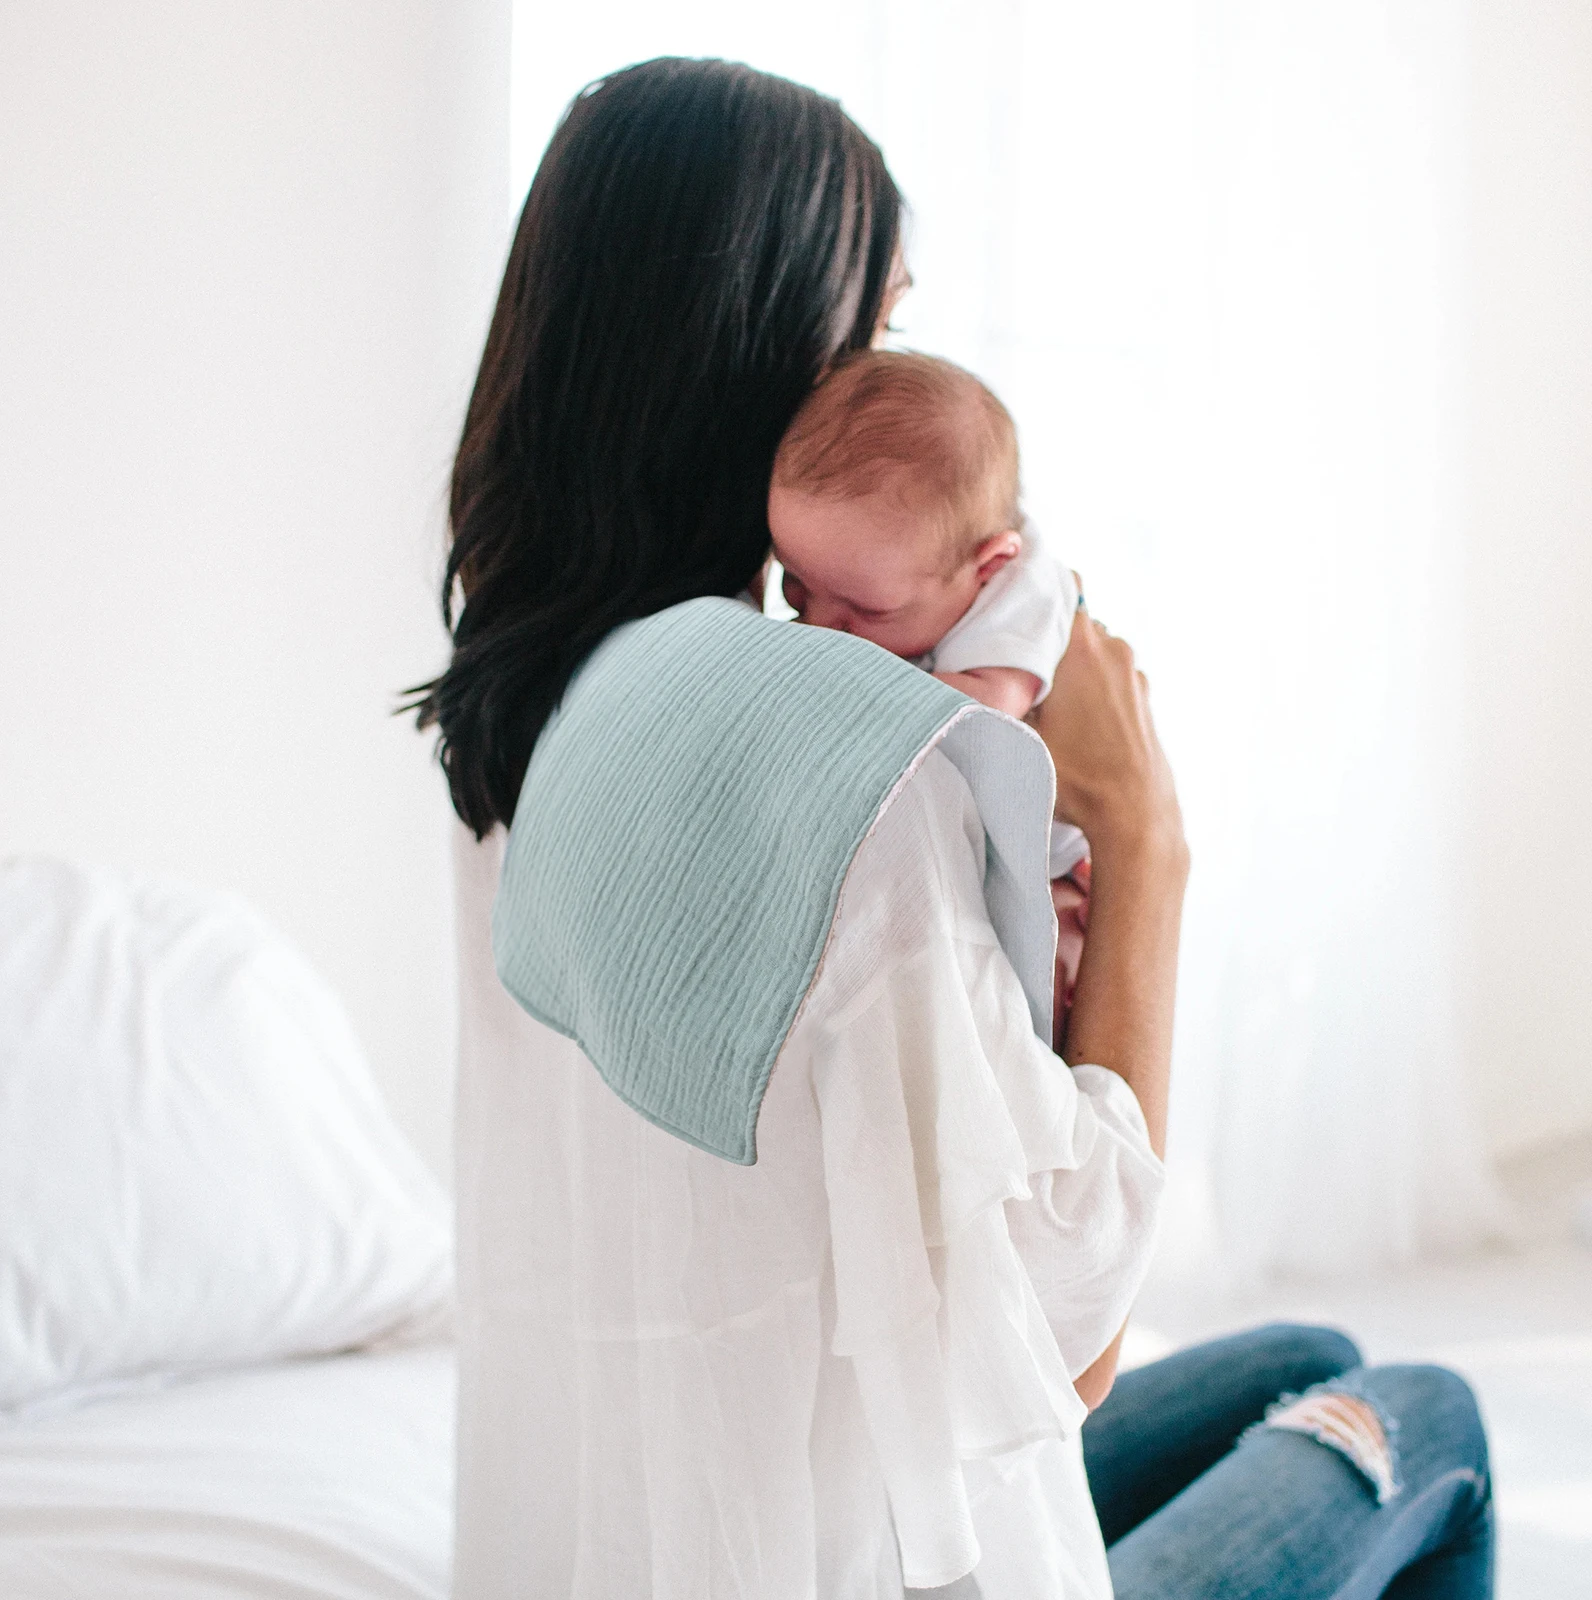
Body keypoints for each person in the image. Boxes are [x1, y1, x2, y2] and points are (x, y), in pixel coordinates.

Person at [411, 56, 1494, 1600]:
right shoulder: (851, 776)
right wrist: (1145, 835)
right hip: (850, 1562)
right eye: (875, 332)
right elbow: (1069, 1345)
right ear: (765, 348)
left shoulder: (520, 707)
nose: (885, 390)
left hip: (643, 1532)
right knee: (1426, 1416)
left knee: (1303, 1355)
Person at [767, 347, 1091, 1045]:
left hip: (1059, 863)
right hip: (982, 848)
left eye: (862, 611)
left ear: (986, 567)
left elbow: (986, 713)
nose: (816, 626)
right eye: (794, 584)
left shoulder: (1027, 595)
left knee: (1051, 986)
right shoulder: (891, 564)